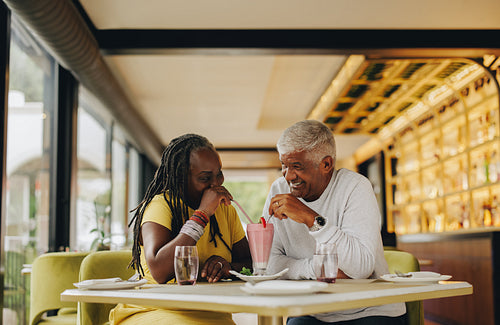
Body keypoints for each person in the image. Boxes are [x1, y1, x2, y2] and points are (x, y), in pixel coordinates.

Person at [263, 120, 406, 325]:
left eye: (297, 167)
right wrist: (321, 269)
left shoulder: (355, 187)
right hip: (312, 311)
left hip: (370, 309)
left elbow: (359, 269)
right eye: (283, 165)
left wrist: (312, 219)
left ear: (326, 164)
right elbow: (267, 265)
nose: (288, 175)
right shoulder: (278, 190)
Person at [110, 133, 252, 325]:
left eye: (219, 174)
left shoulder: (226, 212)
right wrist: (202, 215)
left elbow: (251, 266)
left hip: (209, 312)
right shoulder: (161, 205)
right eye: (205, 178)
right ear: (180, 178)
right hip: (154, 308)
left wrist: (227, 268)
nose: (216, 184)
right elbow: (160, 271)